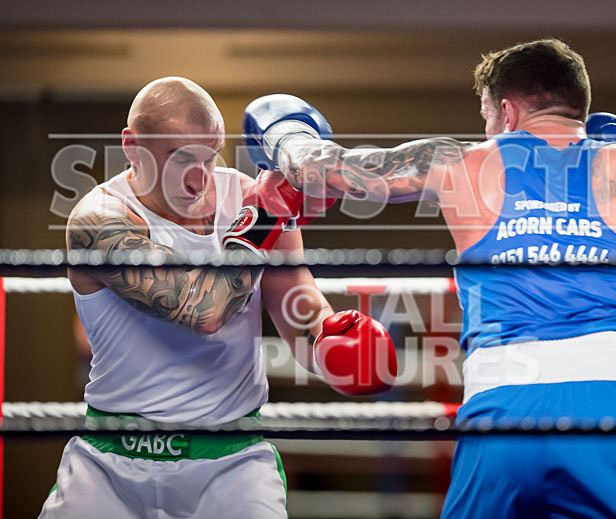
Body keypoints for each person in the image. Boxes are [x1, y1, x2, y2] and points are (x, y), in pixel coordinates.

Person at [245, 38, 616, 518]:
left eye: (486, 115)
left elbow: (332, 171)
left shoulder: (459, 163)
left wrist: (286, 136)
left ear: (506, 112)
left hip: (502, 417)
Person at [41, 76, 396, 519]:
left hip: (230, 463)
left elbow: (298, 308)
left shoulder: (246, 195)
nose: (198, 177)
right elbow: (202, 308)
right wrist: (262, 221)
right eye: (180, 158)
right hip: (109, 463)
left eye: (209, 157)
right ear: (131, 145)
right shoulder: (99, 220)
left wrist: (329, 341)